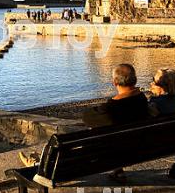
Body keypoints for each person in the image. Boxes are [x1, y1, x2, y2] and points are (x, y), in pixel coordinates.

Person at [19, 64, 149, 181]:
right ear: (135, 80)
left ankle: (37, 164)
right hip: (138, 150)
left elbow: (86, 117)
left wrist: (102, 108)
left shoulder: (110, 109)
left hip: (105, 153)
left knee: (66, 147)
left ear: (115, 82)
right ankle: (118, 170)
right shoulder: (142, 100)